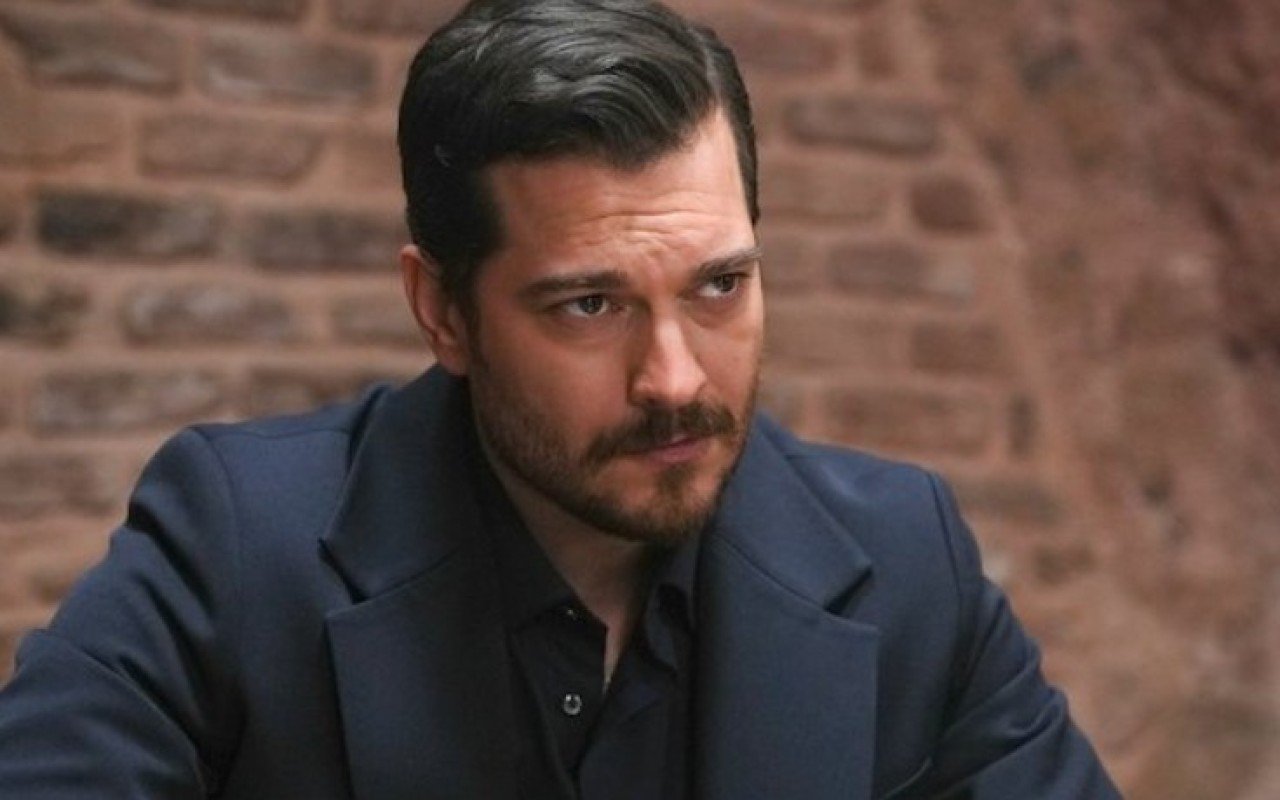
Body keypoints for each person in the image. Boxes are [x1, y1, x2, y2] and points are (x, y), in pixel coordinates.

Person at [0, 1, 1121, 797]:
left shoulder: (908, 560)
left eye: (719, 286)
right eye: (590, 304)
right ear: (441, 309)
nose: (674, 379)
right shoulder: (236, 541)